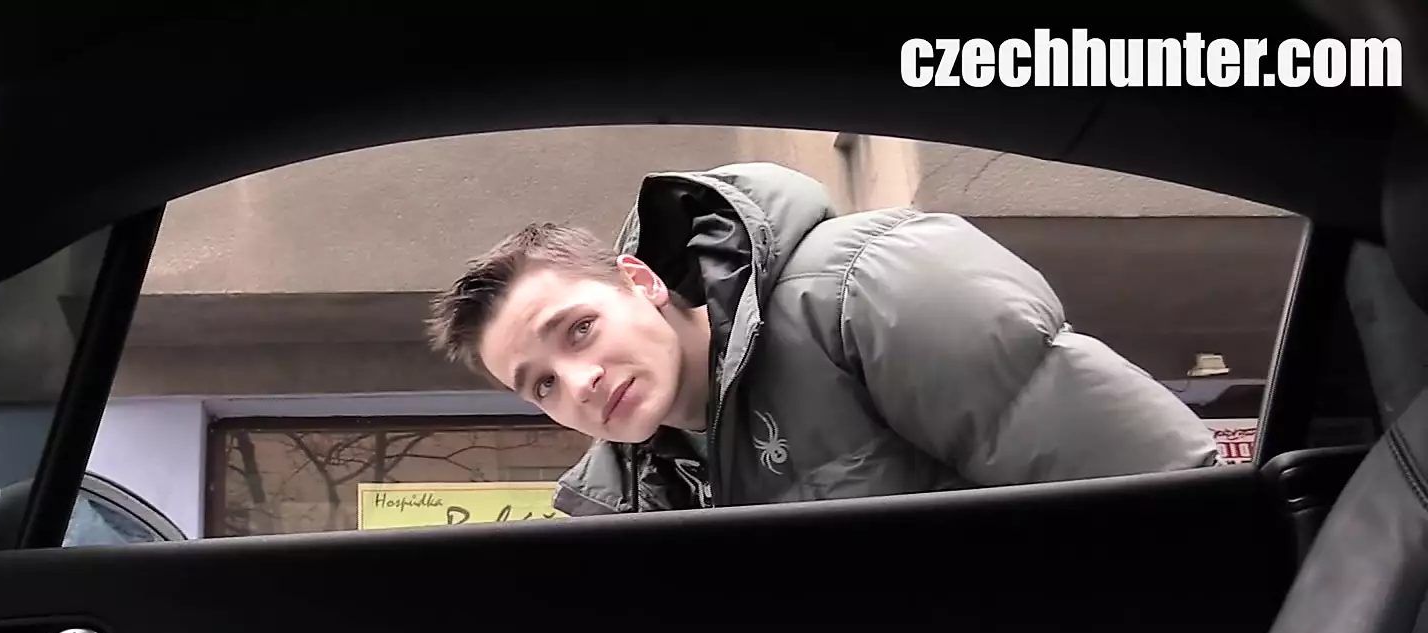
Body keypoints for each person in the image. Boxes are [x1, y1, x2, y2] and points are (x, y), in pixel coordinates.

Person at [426, 162, 1219, 516]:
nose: (580, 382)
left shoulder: (872, 290)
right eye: (542, 384)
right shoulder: (620, 500)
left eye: (579, 330)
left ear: (640, 281)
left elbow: (1167, 505)